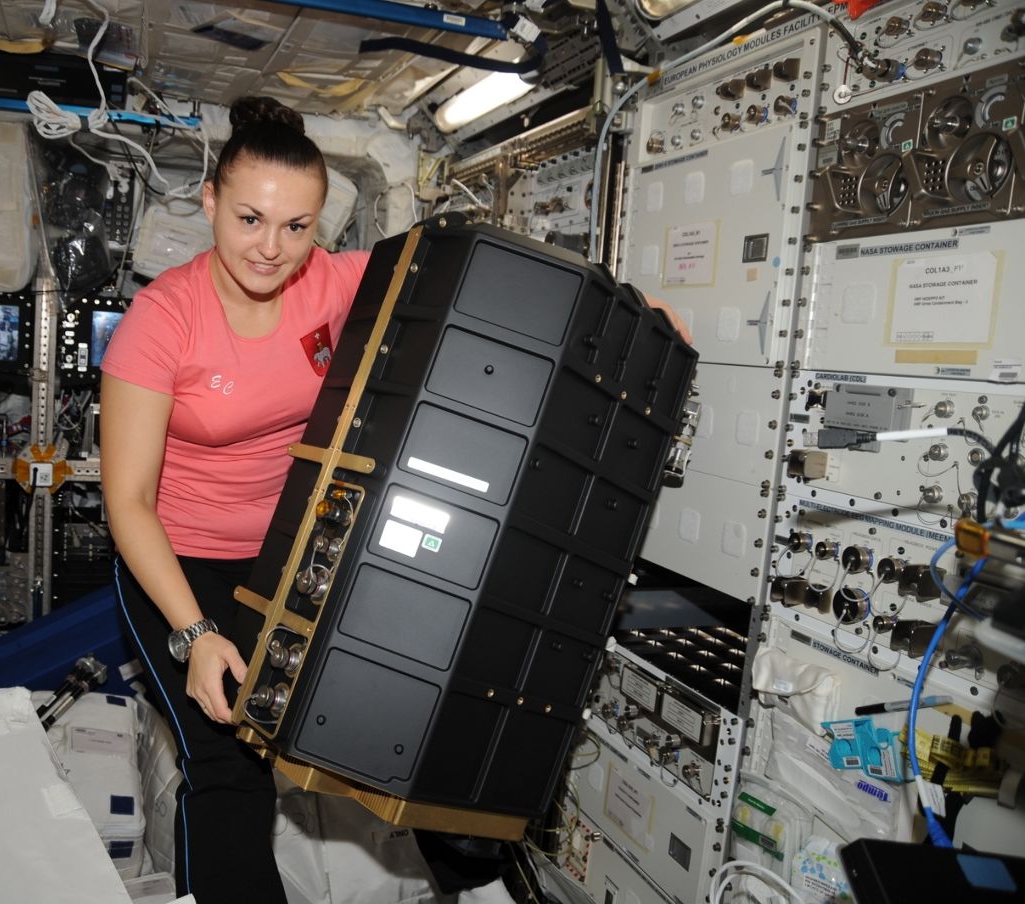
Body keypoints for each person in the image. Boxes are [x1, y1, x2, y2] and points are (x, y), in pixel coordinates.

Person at [99, 95, 693, 904]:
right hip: (180, 560)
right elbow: (128, 501)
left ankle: (467, 876)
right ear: (209, 202)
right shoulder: (163, 320)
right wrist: (197, 633)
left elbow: (487, 281)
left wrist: (628, 312)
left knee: (394, 693)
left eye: (296, 227)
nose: (271, 248)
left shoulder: (336, 281)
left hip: (291, 546)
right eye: (249, 219)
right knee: (229, 760)